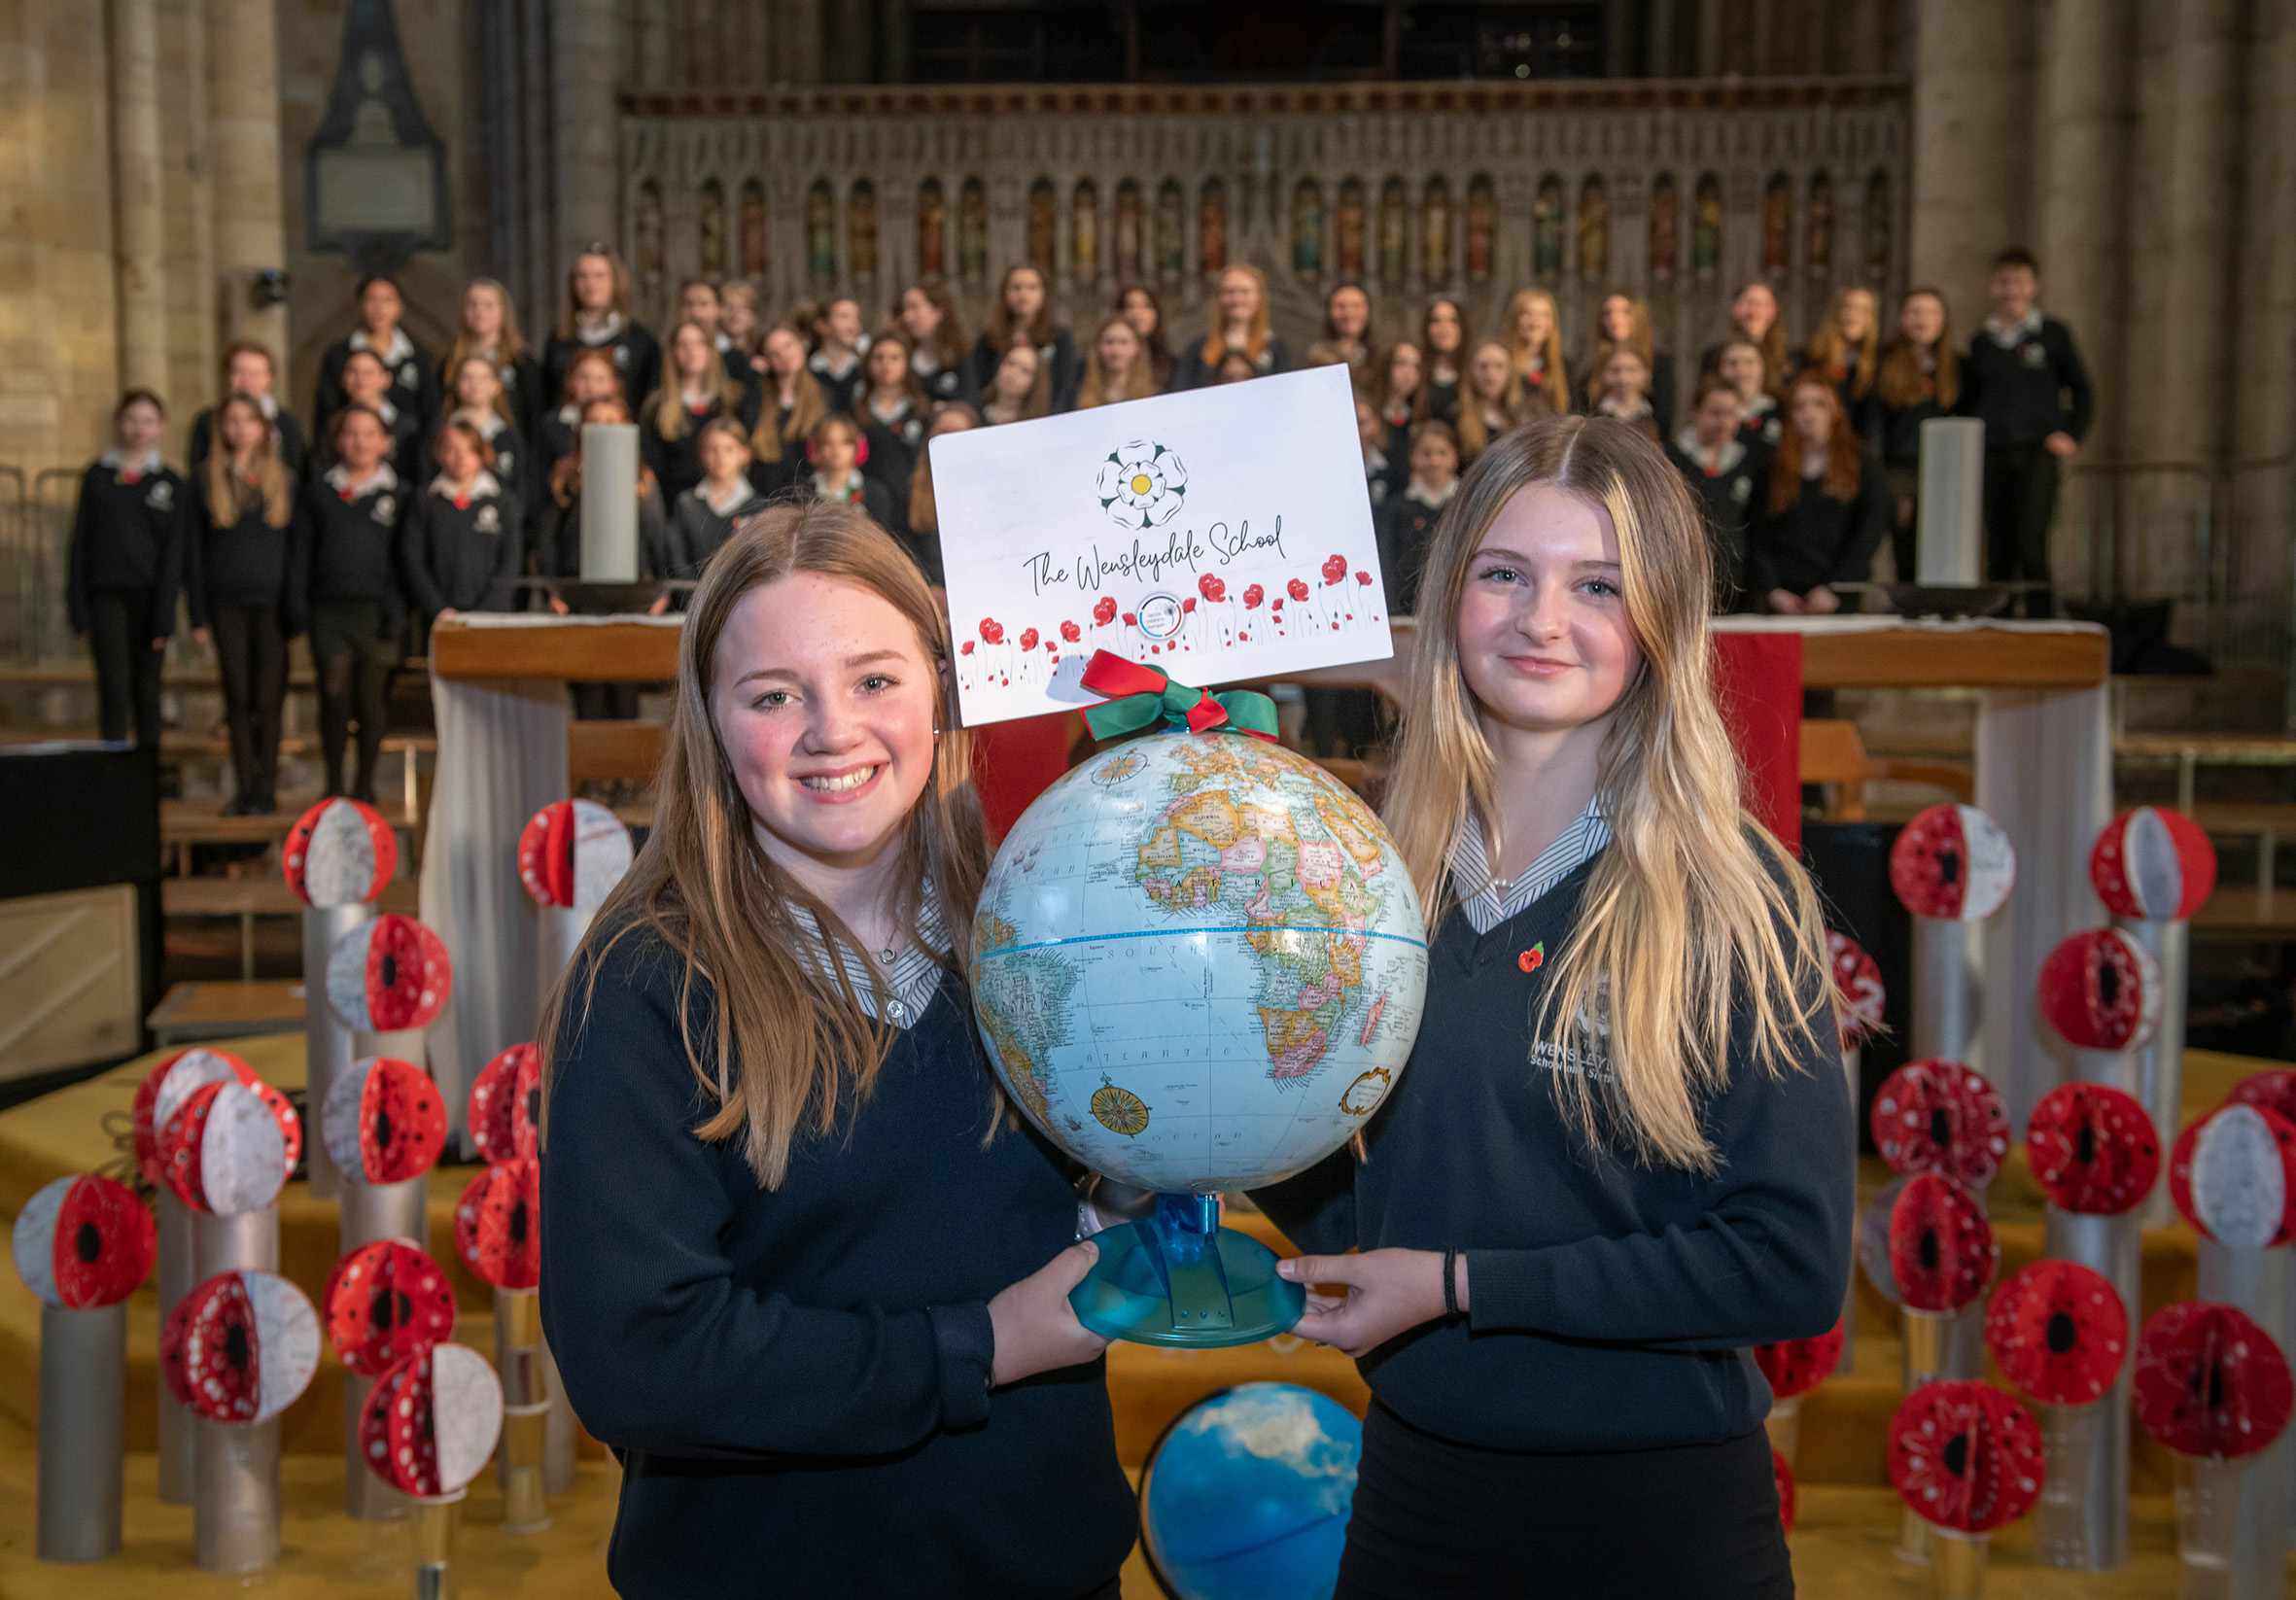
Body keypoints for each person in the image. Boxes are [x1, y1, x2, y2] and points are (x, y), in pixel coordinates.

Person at [1251, 413, 1849, 1599]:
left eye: (1598, 585)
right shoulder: (1366, 874)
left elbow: (1789, 1261)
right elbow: (1333, 1156)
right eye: (1504, 573)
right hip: (1418, 1497)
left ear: (1661, 621)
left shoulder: (1731, 894)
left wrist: (1459, 1284)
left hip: (1658, 1519)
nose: (1541, 618)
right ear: (1450, 593)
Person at [536, 503, 1135, 1599]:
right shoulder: (643, 981)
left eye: (874, 679)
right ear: (711, 721)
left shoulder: (1037, 908)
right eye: (774, 695)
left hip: (1045, 1558)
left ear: (939, 688)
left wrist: (1152, 1172)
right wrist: (980, 1346)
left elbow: (1084, 1189)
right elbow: (640, 1355)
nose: (832, 730)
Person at [1962, 247, 2093, 616]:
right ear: (1992, 287)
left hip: (2037, 452)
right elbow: (1970, 399)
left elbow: (2082, 390)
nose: (2010, 290)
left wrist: (2071, 433)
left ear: (2033, 287)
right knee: (1998, 544)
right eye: (2003, 282)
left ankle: (2041, 623)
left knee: (2031, 542)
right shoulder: (1981, 343)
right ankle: (2000, 622)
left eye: (2018, 282)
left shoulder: (2052, 335)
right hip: (1993, 452)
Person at [187, 393, 297, 813]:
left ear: (263, 429)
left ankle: (266, 787)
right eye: (230, 421)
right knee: (237, 695)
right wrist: (197, 614)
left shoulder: (282, 479)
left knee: (269, 698)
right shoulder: (204, 479)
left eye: (247, 421)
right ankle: (244, 785)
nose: (239, 430)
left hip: (272, 605)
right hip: (226, 603)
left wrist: (294, 605)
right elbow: (193, 554)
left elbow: (294, 549)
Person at [296, 404, 406, 802]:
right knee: (334, 694)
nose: (360, 442)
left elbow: (402, 559)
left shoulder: (398, 493)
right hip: (329, 610)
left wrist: (396, 612)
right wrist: (299, 604)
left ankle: (365, 783)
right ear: (339, 440)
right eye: (351, 433)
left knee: (371, 700)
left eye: (368, 433)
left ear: (384, 442)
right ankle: (332, 782)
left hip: (376, 612)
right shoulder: (320, 491)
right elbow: (302, 552)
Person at [68, 390, 185, 747]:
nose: (139, 429)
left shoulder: (170, 482)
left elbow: (173, 556)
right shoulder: (97, 477)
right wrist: (77, 607)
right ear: (120, 424)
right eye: (132, 420)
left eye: (148, 421)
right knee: (113, 689)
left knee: (148, 692)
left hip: (150, 599)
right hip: (106, 597)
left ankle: (146, 778)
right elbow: (79, 545)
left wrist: (165, 615)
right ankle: (113, 776)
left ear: (160, 428)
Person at [1748, 376, 1890, 616]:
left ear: (1835, 412)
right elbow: (1756, 533)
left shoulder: (1862, 465)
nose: (1809, 413)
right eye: (1800, 406)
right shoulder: (1772, 467)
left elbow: (1869, 531)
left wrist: (1835, 588)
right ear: (1789, 415)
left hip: (1839, 596)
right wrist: (1772, 590)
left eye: (1819, 404)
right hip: (1783, 601)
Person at [402, 418, 523, 643]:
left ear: (481, 454)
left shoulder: (502, 500)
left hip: (493, 616)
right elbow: (413, 558)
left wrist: (487, 610)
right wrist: (437, 608)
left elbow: (511, 560)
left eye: (468, 450)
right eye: (451, 449)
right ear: (438, 453)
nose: (460, 458)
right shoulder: (425, 499)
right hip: (440, 616)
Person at [1872, 288, 1961, 580]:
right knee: (1905, 542)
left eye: (1931, 312)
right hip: (1901, 469)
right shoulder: (1884, 362)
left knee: (1944, 546)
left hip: (1947, 471)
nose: (1922, 319)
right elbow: (1877, 423)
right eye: (1914, 312)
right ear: (1902, 319)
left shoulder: (1958, 366)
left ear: (1943, 320)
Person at [1666, 376, 1769, 609]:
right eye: (1715, 413)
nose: (1723, 422)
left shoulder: (1749, 461)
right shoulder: (1670, 459)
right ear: (1696, 412)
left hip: (1738, 587)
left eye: (1731, 414)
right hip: (1684, 585)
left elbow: (1758, 526)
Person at [542, 245, 663, 430]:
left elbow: (649, 402)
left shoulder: (640, 340)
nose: (591, 285)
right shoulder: (559, 339)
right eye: (583, 276)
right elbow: (547, 397)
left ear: (615, 281)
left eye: (599, 276)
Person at [643, 320, 757, 508]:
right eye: (683, 345)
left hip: (733, 506)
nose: (692, 351)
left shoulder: (735, 399)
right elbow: (654, 469)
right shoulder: (657, 406)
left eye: (700, 343)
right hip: (676, 509)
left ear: (711, 350)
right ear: (673, 352)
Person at [313, 274, 437, 441]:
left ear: (399, 307)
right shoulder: (337, 355)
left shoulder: (419, 357)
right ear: (359, 305)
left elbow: (430, 413)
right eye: (371, 299)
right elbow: (325, 412)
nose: (379, 308)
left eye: (387, 300)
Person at [439, 277, 543, 446]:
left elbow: (534, 417)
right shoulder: (449, 362)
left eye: (488, 305)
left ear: (503, 312)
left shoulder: (523, 363)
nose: (479, 312)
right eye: (472, 304)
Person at [1372, 419, 1459, 617]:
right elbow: (1387, 561)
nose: (1434, 460)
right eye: (1426, 453)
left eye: (1442, 453)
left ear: (1454, 457)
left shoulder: (1467, 504)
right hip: (1407, 613)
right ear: (1413, 457)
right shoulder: (1395, 507)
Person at [964, 265, 1080, 413]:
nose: (1023, 295)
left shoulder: (1060, 337)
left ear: (1044, 294)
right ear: (1004, 293)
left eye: (1032, 288)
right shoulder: (989, 339)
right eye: (1016, 288)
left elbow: (1067, 386)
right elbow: (975, 384)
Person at [667, 417, 770, 582]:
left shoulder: (761, 508)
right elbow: (677, 562)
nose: (720, 457)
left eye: (729, 449)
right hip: (691, 597)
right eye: (712, 449)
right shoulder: (686, 504)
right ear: (701, 454)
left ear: (744, 454)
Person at [189, 341, 308, 473]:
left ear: (269, 378)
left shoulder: (287, 423)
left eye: (255, 374)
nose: (247, 381)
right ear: (227, 376)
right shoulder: (208, 420)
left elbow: (299, 471)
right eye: (239, 372)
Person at [856, 330, 932, 535]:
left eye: (894, 358)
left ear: (907, 363)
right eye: (879, 358)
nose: (886, 365)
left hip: (913, 512)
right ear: (868, 363)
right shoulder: (856, 411)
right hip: (869, 513)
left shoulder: (923, 410)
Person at [445, 353, 536, 524]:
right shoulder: (441, 432)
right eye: (467, 377)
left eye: (483, 378)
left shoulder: (510, 437)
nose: (475, 385)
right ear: (456, 384)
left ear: (497, 386)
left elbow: (520, 486)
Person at [1170, 264, 1290, 390]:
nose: (1237, 299)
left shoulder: (1276, 349)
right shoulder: (1198, 349)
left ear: (1259, 297)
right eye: (1229, 292)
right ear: (1218, 298)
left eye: (1245, 291)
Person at [902, 402, 979, 586]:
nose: (948, 440)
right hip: (926, 591)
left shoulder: (988, 489)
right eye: (943, 433)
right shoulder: (909, 487)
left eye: (958, 434)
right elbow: (903, 546)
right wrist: (929, 587)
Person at [748, 323, 828, 499]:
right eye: (774, 353)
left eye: (788, 345)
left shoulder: (826, 395)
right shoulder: (755, 400)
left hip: (815, 500)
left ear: (802, 345)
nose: (785, 355)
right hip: (767, 499)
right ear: (766, 361)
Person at [1580, 293, 1674, 435]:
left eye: (1624, 312)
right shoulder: (1592, 369)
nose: (1614, 318)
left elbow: (1665, 418)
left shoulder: (1660, 364)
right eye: (1608, 313)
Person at [326, 348, 425, 484]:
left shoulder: (408, 427)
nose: (360, 380)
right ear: (343, 379)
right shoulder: (333, 424)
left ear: (386, 379)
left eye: (368, 373)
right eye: (353, 372)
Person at [1803, 287, 1881, 434]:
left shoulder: (1880, 360)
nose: (1854, 315)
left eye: (1863, 310)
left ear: (1871, 318)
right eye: (1849, 307)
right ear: (1836, 312)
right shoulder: (1814, 357)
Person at [539, 347, 627, 477]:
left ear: (613, 384)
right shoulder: (551, 425)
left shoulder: (622, 420)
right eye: (584, 378)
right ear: (570, 381)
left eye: (600, 379)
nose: (591, 387)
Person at [805, 414, 897, 530]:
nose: (836, 450)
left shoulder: (875, 494)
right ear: (815, 448)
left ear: (858, 447)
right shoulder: (802, 493)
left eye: (845, 442)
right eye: (828, 443)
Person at [1700, 280, 1792, 397]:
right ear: (1735, 308)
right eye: (1748, 303)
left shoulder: (1789, 358)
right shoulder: (1713, 355)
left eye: (1761, 304)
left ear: (1774, 311)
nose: (1754, 311)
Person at [1454, 340, 1532, 465]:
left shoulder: (1525, 417)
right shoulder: (1455, 417)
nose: (1490, 375)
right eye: (1483, 366)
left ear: (1510, 373)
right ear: (1470, 371)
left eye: (1499, 366)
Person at [896, 283, 973, 404]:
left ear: (939, 311)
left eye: (914, 307)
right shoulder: (901, 356)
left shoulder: (962, 356)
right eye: (905, 309)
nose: (907, 317)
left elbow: (972, 402)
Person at [1502, 289, 1571, 417]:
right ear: (1514, 319)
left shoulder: (1565, 366)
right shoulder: (1501, 363)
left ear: (1552, 323)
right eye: (1527, 314)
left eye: (1544, 315)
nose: (1535, 322)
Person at [1073, 313, 1156, 410]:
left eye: (1123, 342)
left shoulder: (1153, 397)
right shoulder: (1074, 395)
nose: (1116, 351)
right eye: (1109, 342)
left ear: (1137, 347)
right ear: (1098, 347)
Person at [1717, 338, 1783, 449]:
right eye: (1732, 363)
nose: (1741, 370)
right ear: (1720, 369)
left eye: (1749, 362)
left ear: (1763, 367)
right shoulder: (1712, 413)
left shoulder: (1781, 411)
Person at [1369, 341, 1425, 470]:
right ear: (1386, 366)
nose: (1409, 372)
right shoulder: (1367, 415)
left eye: (1416, 366)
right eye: (1401, 363)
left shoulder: (1421, 415)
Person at [807, 296, 866, 416]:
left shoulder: (866, 370)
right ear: (822, 325)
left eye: (857, 318)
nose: (854, 325)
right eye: (844, 317)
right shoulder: (806, 372)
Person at [1589, 347, 1661, 442]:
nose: (1623, 378)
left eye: (1632, 370)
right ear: (1603, 374)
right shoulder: (1592, 416)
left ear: (1646, 374)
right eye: (1615, 370)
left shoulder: (1658, 415)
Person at [1114, 283, 1177, 391]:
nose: (1138, 313)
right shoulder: (1104, 362)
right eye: (1130, 306)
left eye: (1146, 306)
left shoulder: (1173, 366)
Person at [1305, 281, 1374, 377]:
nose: (1349, 313)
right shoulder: (1315, 357)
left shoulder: (1382, 357)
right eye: (1341, 307)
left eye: (1357, 306)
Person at [1420, 296, 1470, 424]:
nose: (1444, 327)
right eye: (1436, 321)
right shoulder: (1417, 369)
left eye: (1452, 321)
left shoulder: (1476, 369)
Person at [979, 342, 1051, 427]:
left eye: (1024, 370)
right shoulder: (973, 410)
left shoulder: (1035, 425)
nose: (1013, 373)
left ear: (1035, 383)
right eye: (1010, 363)